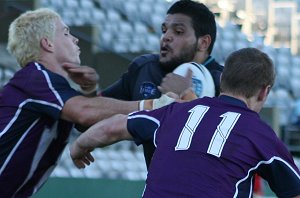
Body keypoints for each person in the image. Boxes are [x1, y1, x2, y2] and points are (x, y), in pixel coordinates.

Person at [70, 48, 300, 197]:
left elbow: (113, 126)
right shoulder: (261, 133)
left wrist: (79, 146)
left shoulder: (175, 111)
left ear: (222, 80)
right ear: (264, 91)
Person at [0, 8, 175, 197]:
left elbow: (86, 119)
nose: (75, 39)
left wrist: (89, 91)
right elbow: (84, 112)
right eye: (66, 33)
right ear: (47, 43)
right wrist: (153, 106)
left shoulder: (43, 85)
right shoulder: (35, 76)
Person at [93, 0, 224, 168]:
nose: (166, 37)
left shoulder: (224, 82)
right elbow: (88, 118)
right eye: (164, 30)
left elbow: (231, 146)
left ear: (203, 43)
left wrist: (187, 99)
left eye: (178, 31)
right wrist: (88, 90)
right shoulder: (145, 69)